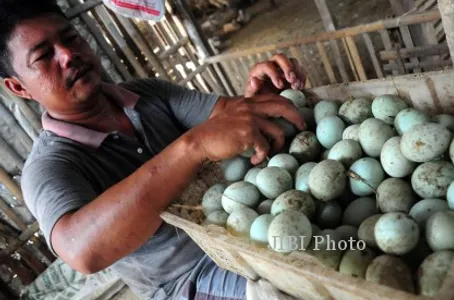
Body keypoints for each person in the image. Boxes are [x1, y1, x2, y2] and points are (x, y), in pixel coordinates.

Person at [0, 0, 307, 299]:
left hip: (242, 229)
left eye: (70, 38)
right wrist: (192, 147)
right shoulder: (49, 168)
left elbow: (223, 117)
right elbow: (83, 252)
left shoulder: (148, 93)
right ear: (18, 87)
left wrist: (254, 104)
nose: (68, 55)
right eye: (43, 56)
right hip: (189, 276)